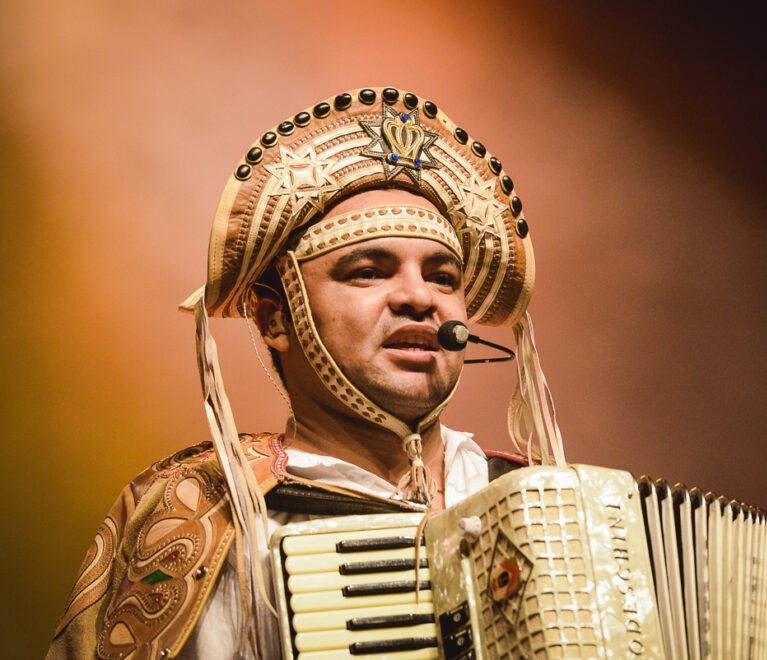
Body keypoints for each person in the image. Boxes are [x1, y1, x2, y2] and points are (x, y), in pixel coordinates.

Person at [47, 86, 563, 659]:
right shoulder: (201, 513)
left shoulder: (542, 502)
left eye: (444, 277)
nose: (421, 297)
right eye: (369, 271)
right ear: (275, 320)